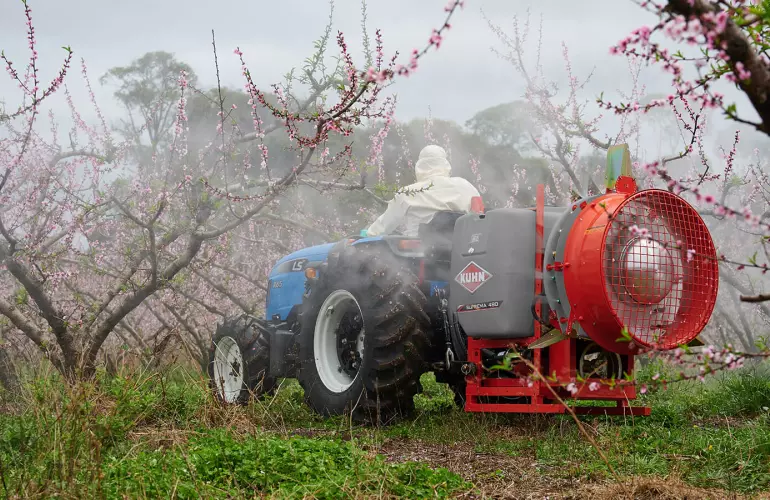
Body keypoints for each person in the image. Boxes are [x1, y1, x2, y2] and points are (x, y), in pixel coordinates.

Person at [364, 144, 481, 237]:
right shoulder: (466, 186)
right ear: (445, 164)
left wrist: (368, 234)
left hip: (416, 254)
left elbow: (385, 224)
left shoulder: (408, 192)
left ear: (420, 166)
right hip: (461, 252)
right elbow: (479, 216)